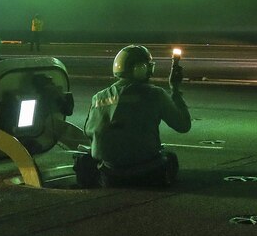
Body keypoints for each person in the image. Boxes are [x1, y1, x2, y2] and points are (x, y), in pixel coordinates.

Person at [73, 45, 191, 188]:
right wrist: (175, 89)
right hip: (147, 173)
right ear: (140, 69)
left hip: (110, 175)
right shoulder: (154, 94)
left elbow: (89, 131)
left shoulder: (99, 98)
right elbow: (183, 125)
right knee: (170, 157)